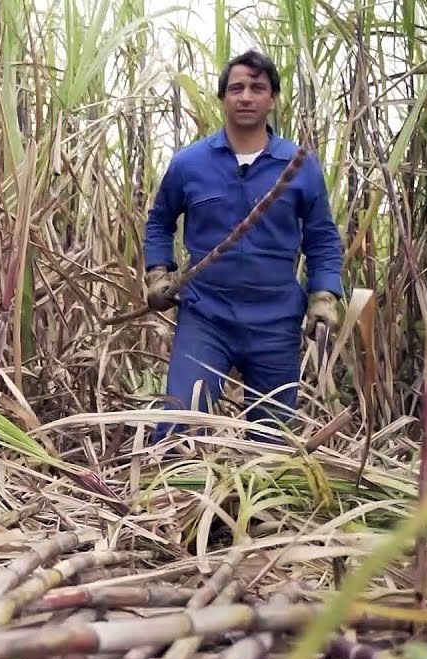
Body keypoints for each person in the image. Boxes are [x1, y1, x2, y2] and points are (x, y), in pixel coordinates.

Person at [142, 50, 344, 446]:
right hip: (206, 316)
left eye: (257, 88)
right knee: (179, 427)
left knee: (272, 441)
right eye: (236, 88)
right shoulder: (189, 164)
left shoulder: (300, 165)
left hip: (276, 321)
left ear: (273, 99)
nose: (246, 96)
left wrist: (324, 295)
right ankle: (171, 481)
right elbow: (159, 221)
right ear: (223, 99)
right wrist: (158, 273)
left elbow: (321, 236)